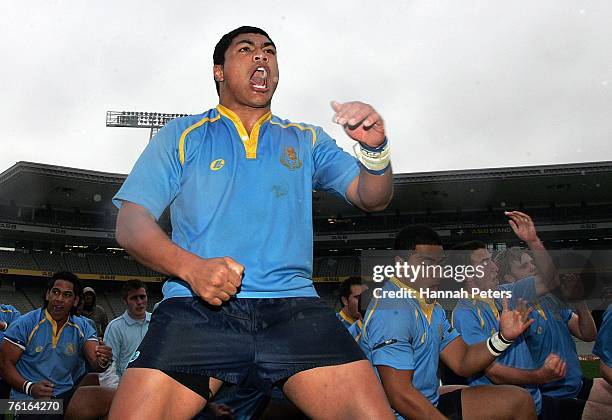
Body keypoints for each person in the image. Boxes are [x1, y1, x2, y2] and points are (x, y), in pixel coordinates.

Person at [109, 26, 395, 420]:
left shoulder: (305, 139)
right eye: (246, 49)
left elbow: (371, 196)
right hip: (197, 308)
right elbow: (130, 222)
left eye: (269, 51)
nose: (261, 56)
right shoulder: (182, 134)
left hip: (294, 309)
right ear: (219, 71)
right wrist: (191, 269)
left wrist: (375, 150)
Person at [359, 225, 537, 419]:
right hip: (398, 412)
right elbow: (399, 395)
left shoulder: (430, 306)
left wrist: (503, 337)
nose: (436, 271)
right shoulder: (393, 310)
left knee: (519, 400)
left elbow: (463, 361)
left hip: (426, 403)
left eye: (439, 263)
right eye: (427, 263)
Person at [451, 239, 591, 419]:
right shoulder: (465, 314)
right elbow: (495, 374)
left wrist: (532, 239)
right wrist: (540, 376)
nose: (495, 267)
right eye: (485, 263)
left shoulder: (506, 293)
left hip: (535, 401)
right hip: (509, 411)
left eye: (492, 260)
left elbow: (551, 280)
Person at [495, 211, 611, 419]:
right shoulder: (510, 296)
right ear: (509, 277)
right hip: (550, 392)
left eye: (532, 263)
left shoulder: (550, 299)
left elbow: (587, 334)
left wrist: (579, 302)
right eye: (525, 266)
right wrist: (533, 240)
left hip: (575, 383)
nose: (533, 268)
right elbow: (550, 277)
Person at [0, 271, 114, 419]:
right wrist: (30, 387)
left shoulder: (83, 327)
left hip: (62, 398)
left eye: (67, 295)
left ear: (75, 300)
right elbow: (4, 365)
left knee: (110, 394)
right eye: (55, 292)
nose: (59, 299)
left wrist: (102, 359)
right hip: (23, 403)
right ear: (48, 295)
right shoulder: (25, 323)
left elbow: (96, 361)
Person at [104, 280, 151, 381]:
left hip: (154, 386)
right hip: (126, 387)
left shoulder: (157, 322)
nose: (139, 302)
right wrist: (117, 392)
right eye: (134, 298)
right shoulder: (114, 327)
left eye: (142, 297)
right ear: (125, 301)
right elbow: (107, 368)